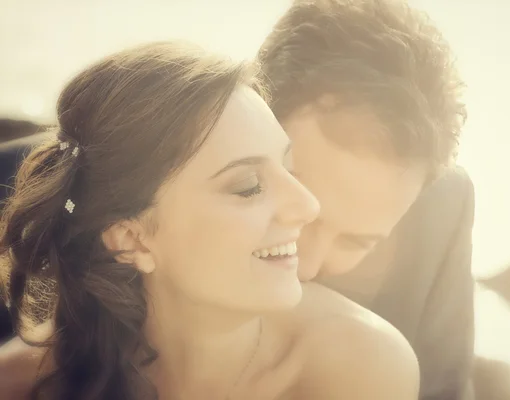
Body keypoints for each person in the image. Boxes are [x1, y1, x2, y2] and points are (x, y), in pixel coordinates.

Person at [0, 42, 419, 399]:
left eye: (289, 169)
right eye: (249, 184)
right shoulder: (19, 386)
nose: (308, 206)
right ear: (132, 238)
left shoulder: (362, 368)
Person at [257, 1, 475, 399]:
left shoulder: (443, 205)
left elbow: (444, 385)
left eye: (356, 242)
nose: (305, 268)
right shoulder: (163, 163)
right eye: (302, 212)